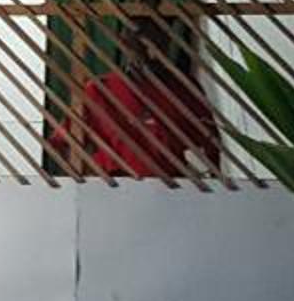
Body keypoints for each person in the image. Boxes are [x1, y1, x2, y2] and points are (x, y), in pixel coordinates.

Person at [50, 12, 220, 178]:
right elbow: (60, 144)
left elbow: (212, 147)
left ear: (168, 40)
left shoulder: (184, 88)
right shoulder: (99, 90)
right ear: (125, 41)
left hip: (171, 187)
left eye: (159, 36)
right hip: (115, 186)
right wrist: (93, 177)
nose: (151, 46)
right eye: (142, 37)